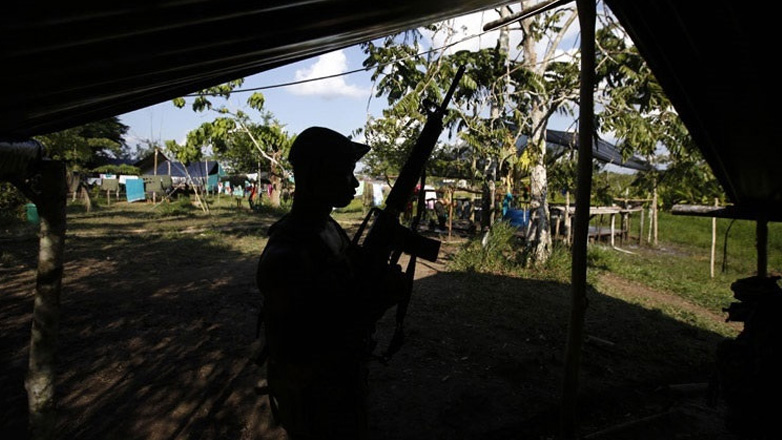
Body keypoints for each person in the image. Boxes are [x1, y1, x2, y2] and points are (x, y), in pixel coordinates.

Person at [256, 126, 406, 439]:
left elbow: (346, 279)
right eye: (344, 172)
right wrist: (377, 300)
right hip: (315, 398)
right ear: (314, 176)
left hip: (342, 380)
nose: (353, 182)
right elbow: (310, 337)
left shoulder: (325, 226)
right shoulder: (287, 252)